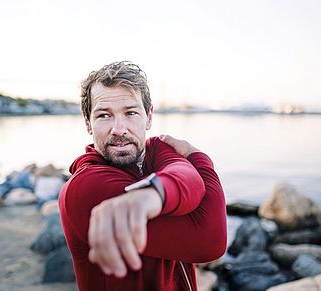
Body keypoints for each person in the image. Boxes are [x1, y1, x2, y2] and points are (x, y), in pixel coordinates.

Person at [58, 61, 227, 291]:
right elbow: (209, 243)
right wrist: (200, 159)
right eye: (104, 116)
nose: (119, 129)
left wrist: (154, 193)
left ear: (149, 117)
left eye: (130, 113)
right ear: (88, 123)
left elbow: (186, 175)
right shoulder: (87, 187)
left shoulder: (156, 149)